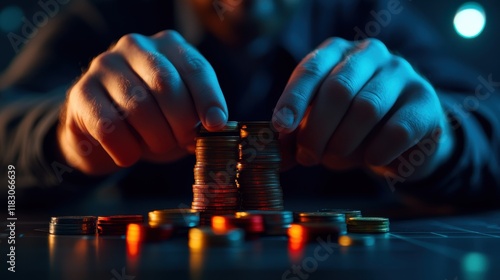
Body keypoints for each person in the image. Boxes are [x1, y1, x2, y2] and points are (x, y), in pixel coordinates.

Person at [1, 0, 499, 210]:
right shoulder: (103, 15)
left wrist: (440, 142)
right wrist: (66, 138)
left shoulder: (369, 13)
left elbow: (486, 112)